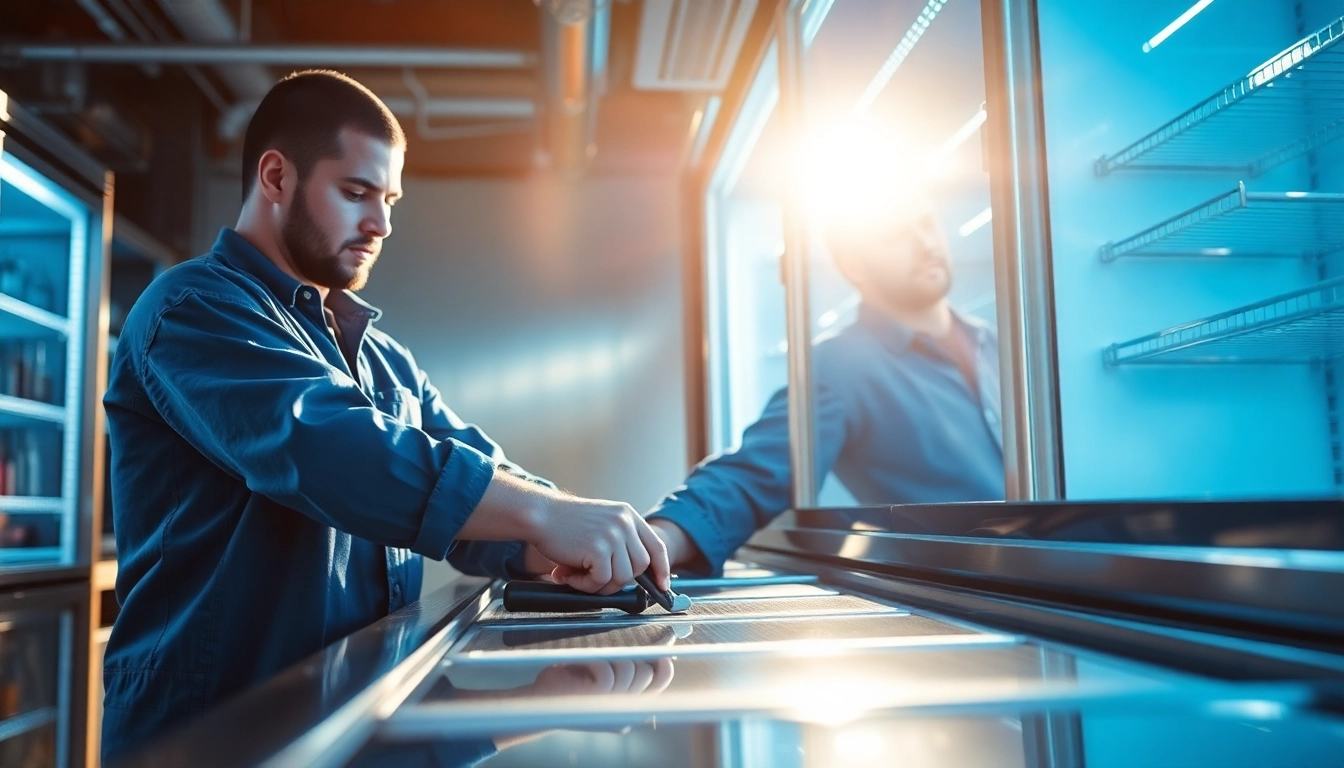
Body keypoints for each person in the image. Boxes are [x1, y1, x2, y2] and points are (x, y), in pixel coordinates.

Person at [100, 70, 669, 762]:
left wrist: (554, 541)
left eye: (389, 198)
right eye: (356, 192)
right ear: (276, 177)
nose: (382, 223)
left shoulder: (383, 358)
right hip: (213, 738)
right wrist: (543, 517)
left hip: (344, 724)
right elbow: (328, 447)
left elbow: (470, 469)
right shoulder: (191, 310)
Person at [647, 195, 1004, 575]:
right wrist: (658, 540)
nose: (926, 243)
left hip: (1061, 575)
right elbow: (756, 473)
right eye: (896, 235)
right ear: (854, 265)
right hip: (972, 587)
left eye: (927, 223)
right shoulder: (840, 365)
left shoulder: (1001, 344)